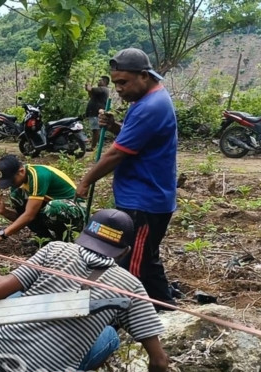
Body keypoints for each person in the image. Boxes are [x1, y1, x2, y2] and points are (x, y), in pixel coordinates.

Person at [0, 209, 170, 372]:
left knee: (14, 294)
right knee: (110, 335)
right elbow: (158, 360)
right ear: (124, 251)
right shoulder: (131, 287)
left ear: (85, 233)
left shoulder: (55, 249)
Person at [76, 48, 178, 312]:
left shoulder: (150, 106)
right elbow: (135, 139)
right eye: (116, 82)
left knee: (137, 263)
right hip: (141, 195)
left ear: (144, 75)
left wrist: (86, 180)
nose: (118, 89)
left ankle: (155, 310)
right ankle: (160, 306)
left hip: (144, 200)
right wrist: (114, 127)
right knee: (142, 258)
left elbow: (117, 153)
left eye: (123, 82)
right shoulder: (147, 101)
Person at [0, 155, 85, 244]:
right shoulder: (19, 185)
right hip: (51, 207)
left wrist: (3, 234)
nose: (11, 184)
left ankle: (63, 240)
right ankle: (45, 238)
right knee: (16, 195)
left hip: (75, 210)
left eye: (12, 180)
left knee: (53, 207)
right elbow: (24, 219)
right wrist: (5, 212)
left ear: (21, 171)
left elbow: (29, 215)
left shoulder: (37, 176)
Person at [85, 76, 110, 151]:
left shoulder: (103, 89)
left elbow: (90, 89)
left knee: (96, 130)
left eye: (100, 80)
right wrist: (88, 88)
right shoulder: (100, 90)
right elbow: (90, 94)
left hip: (96, 112)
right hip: (94, 112)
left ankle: (93, 147)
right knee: (95, 130)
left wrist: (88, 85)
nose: (98, 81)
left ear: (105, 82)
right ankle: (96, 146)